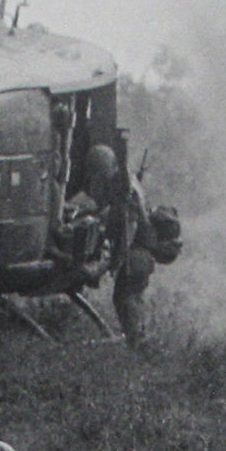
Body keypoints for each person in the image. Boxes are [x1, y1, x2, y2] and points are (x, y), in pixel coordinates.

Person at [83, 143, 155, 347]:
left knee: (125, 298)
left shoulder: (126, 195)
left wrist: (109, 264)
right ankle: (137, 339)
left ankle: (137, 343)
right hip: (140, 253)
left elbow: (126, 233)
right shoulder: (126, 189)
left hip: (136, 255)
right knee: (127, 298)